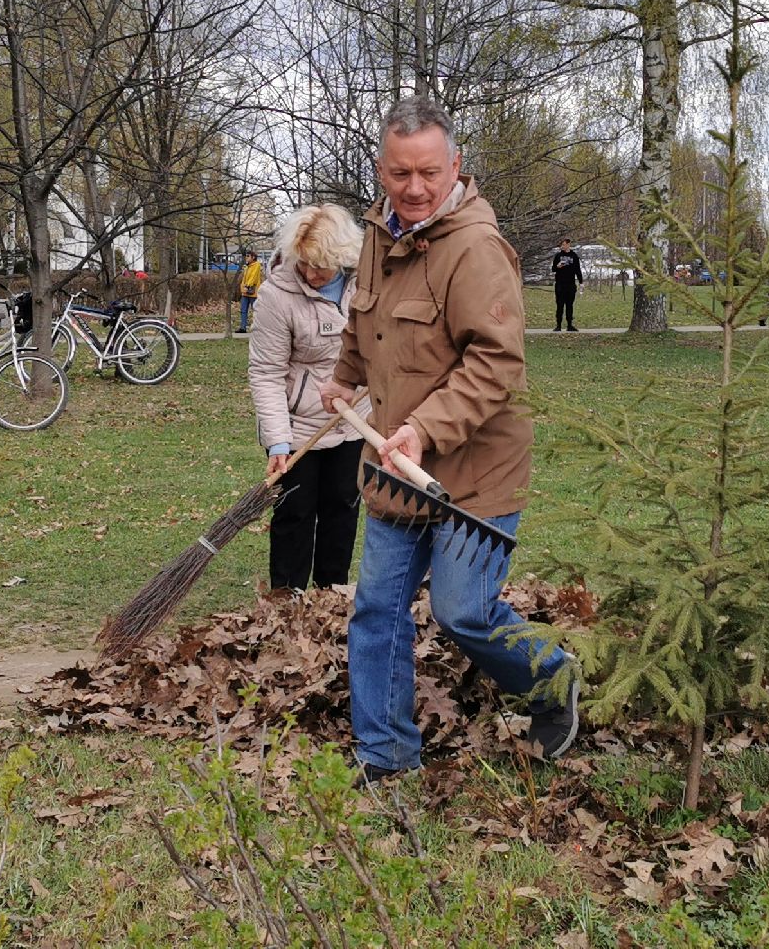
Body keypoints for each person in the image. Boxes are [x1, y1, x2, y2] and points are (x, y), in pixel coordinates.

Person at [317, 96, 580, 782]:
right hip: (394, 465)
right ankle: (386, 758)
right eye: (399, 173)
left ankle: (551, 677)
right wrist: (345, 379)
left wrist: (423, 430)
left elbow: (495, 363)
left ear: (455, 166)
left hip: (474, 470)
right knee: (376, 611)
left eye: (427, 172)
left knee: (462, 612)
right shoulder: (378, 234)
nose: (413, 188)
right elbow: (363, 323)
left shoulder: (476, 249)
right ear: (380, 169)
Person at [248, 205, 367, 594]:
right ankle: (287, 602)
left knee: (342, 511)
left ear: (343, 258)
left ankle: (330, 599)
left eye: (323, 266)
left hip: (354, 421)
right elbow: (267, 373)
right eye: (306, 263)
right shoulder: (275, 296)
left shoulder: (366, 285)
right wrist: (278, 440)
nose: (313, 274)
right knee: (295, 515)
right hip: (298, 426)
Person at [550, 238, 582, 331]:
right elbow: (553, 269)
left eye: (563, 245)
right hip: (560, 284)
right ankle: (558, 325)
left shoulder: (574, 256)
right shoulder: (558, 256)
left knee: (569, 305)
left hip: (571, 284)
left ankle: (569, 325)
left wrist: (581, 282)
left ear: (568, 244)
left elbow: (578, 270)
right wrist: (557, 266)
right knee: (559, 305)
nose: (562, 247)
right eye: (561, 245)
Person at [236, 251, 265, 333]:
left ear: (253, 257)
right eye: (246, 256)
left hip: (253, 292)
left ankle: (258, 328)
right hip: (245, 292)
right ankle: (243, 327)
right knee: (243, 310)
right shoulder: (247, 266)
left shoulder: (257, 265)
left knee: (255, 310)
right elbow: (244, 278)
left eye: (248, 256)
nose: (246, 257)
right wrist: (243, 287)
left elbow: (253, 277)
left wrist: (247, 286)